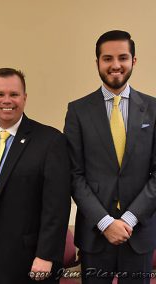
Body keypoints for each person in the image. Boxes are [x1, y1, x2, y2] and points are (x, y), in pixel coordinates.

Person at [64, 30, 156, 283]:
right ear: (97, 63)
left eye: (123, 57)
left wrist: (128, 219)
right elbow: (74, 174)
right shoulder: (77, 111)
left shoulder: (153, 109)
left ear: (133, 61)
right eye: (107, 58)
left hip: (139, 233)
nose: (115, 65)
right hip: (95, 234)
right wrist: (105, 222)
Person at [0, 67, 71, 283]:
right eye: (0, 94)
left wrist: (46, 255)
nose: (7, 101)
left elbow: (56, 207)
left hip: (28, 260)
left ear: (25, 97)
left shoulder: (50, 141)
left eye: (14, 94)